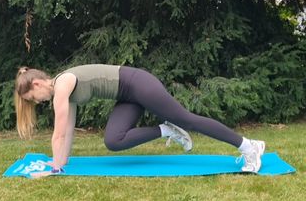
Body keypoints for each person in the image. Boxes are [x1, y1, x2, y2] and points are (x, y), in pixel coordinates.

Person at [14, 64, 265, 177]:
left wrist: (53, 169)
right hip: (127, 96)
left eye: (33, 97)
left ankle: (248, 146)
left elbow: (57, 134)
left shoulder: (62, 84)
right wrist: (61, 162)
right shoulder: (64, 90)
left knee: (186, 119)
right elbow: (67, 131)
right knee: (113, 140)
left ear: (37, 84)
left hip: (137, 83)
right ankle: (166, 130)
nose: (37, 102)